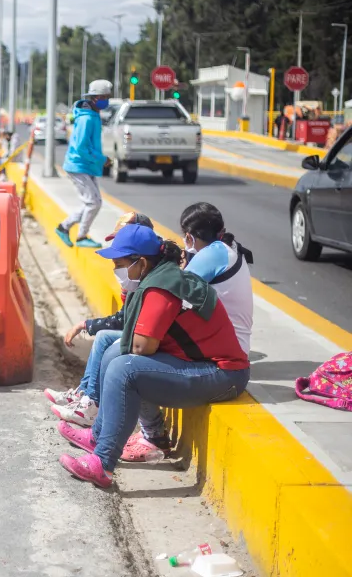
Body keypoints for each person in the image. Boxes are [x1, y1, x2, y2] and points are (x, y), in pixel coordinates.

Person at [57, 224, 250, 488]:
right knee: (113, 350)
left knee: (125, 368)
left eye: (120, 264)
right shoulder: (158, 278)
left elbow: (141, 348)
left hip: (223, 373)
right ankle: (99, 436)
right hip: (197, 363)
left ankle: (103, 463)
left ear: (142, 263)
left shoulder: (162, 288)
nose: (116, 271)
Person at [45, 212, 155, 427]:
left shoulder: (147, 278)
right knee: (105, 337)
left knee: (106, 339)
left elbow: (126, 320)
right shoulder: (136, 274)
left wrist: (87, 325)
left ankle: (91, 404)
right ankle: (85, 395)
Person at [55, 79, 113, 249]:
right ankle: (80, 236)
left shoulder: (92, 116)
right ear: (95, 98)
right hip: (78, 165)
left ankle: (64, 227)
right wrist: (102, 159)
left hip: (86, 166)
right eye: (104, 97)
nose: (106, 100)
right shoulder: (87, 119)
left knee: (93, 202)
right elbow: (81, 148)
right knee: (93, 203)